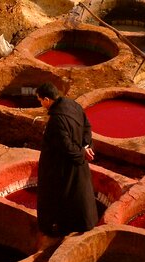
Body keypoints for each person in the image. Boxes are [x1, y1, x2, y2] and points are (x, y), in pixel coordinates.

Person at [35, 82, 98, 249]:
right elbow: (87, 127)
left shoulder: (56, 120)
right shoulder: (73, 104)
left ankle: (57, 228)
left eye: (40, 100)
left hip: (62, 167)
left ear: (47, 99)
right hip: (79, 162)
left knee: (58, 197)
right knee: (80, 195)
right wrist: (87, 146)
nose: (41, 104)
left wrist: (82, 152)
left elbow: (66, 147)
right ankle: (85, 223)